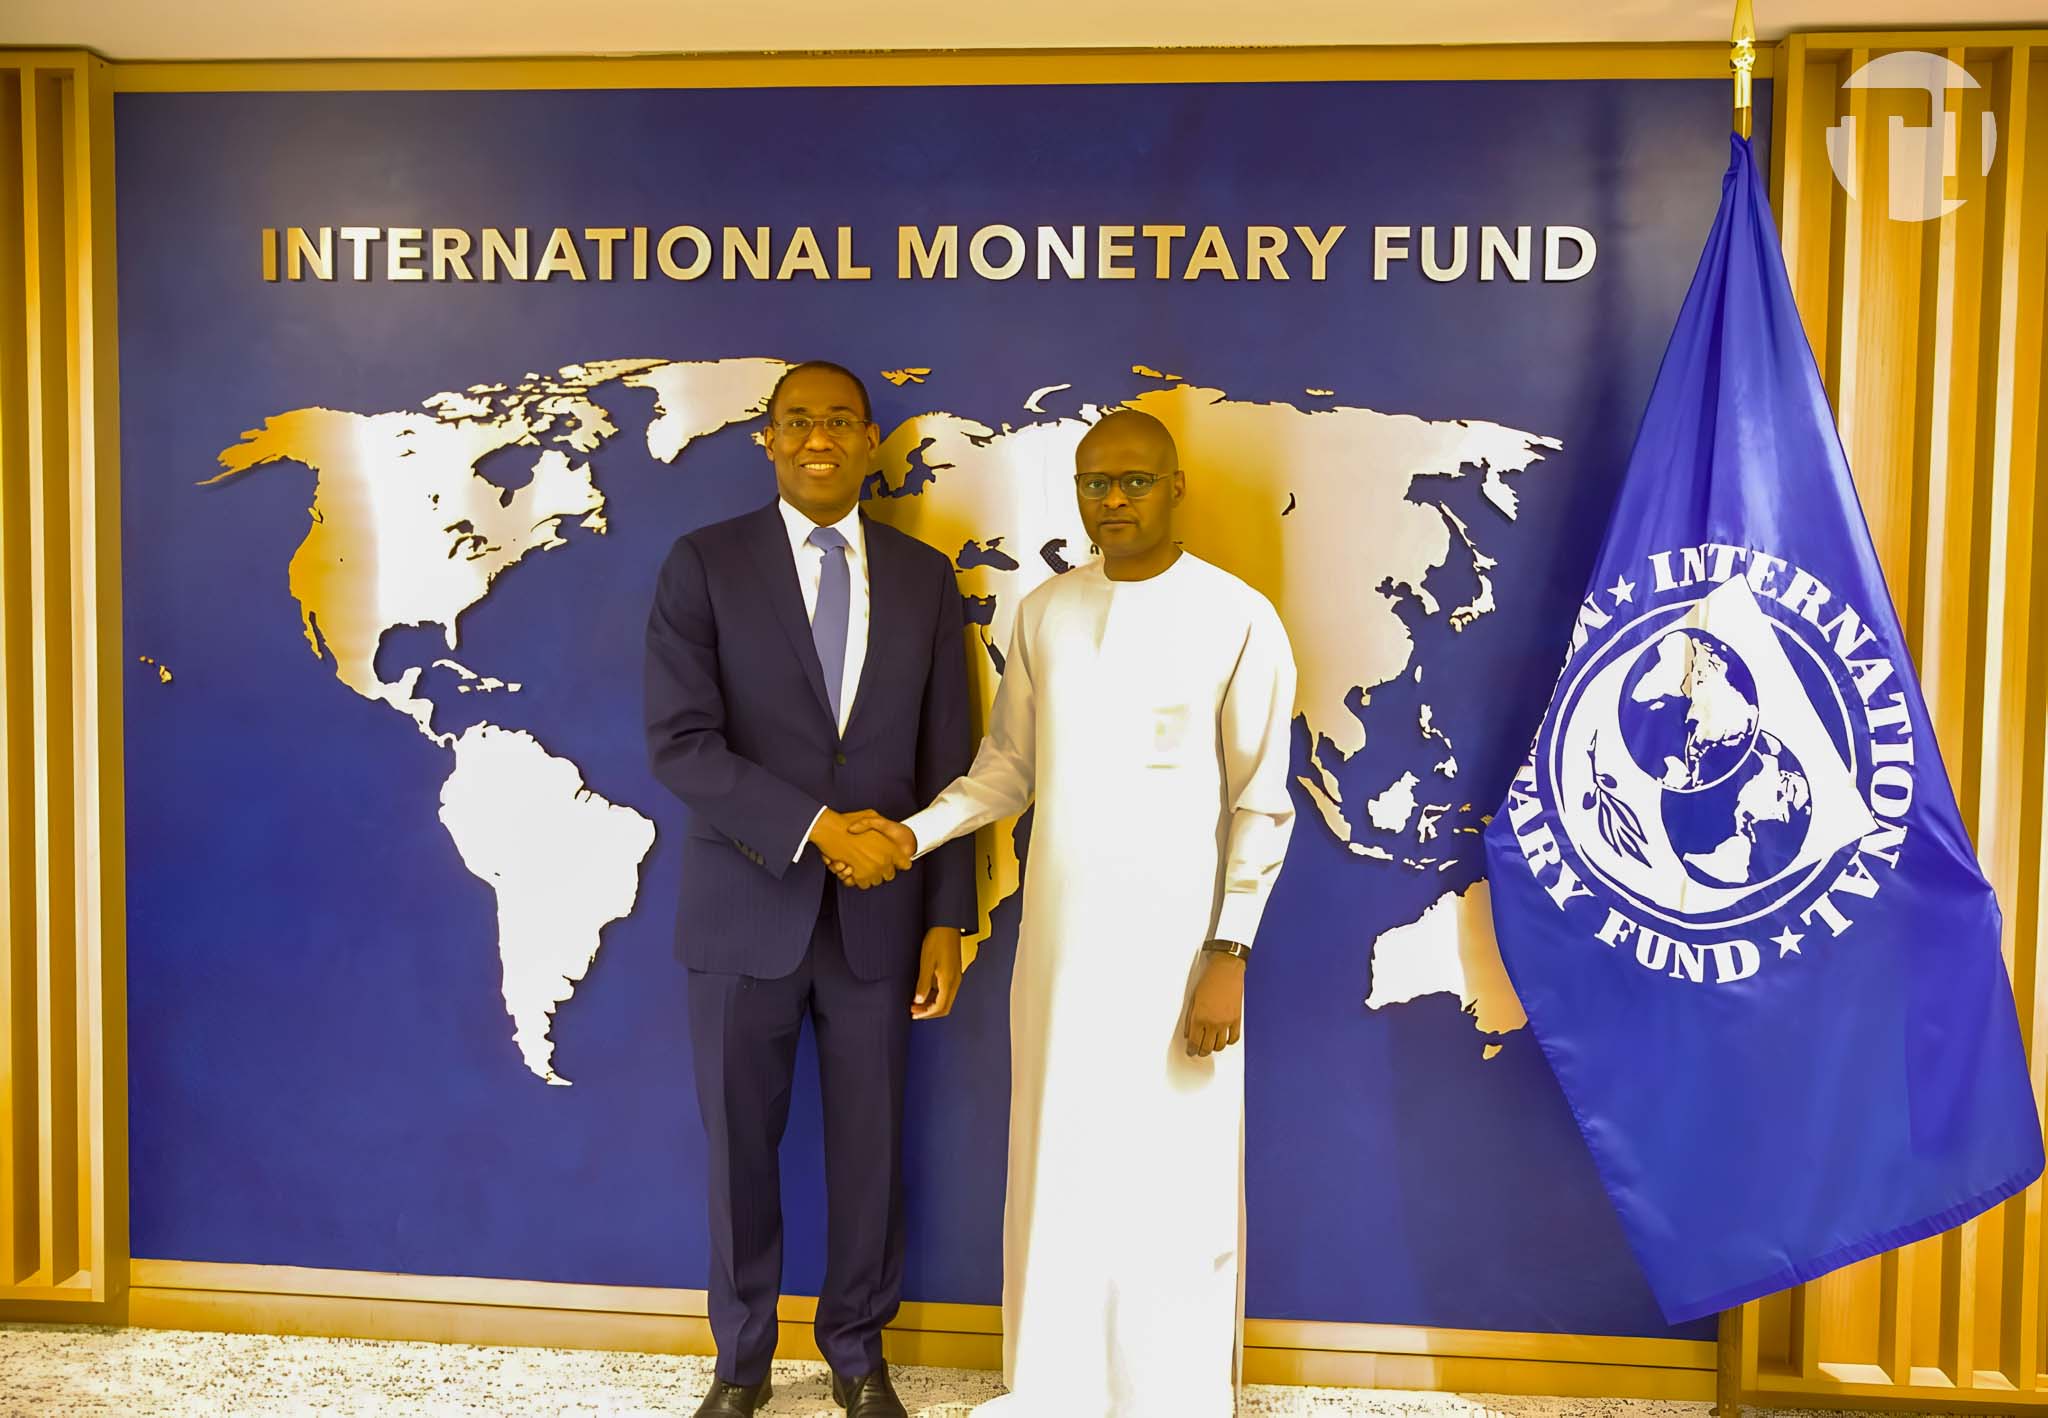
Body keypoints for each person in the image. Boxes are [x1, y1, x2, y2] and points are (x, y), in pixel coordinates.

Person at [845, 409, 1297, 1416]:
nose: (1113, 499)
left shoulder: (1235, 615)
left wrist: (1229, 949)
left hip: (1181, 944)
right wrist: (911, 836)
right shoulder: (1045, 611)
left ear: (1175, 487)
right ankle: (1053, 1386)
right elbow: (1006, 769)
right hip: (1059, 940)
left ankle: (1170, 1396)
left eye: (1134, 480)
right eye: (1095, 482)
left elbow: (1263, 800)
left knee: (1173, 1166)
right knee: (1060, 1152)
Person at [644, 360, 977, 1418]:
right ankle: (741, 1362)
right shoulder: (704, 564)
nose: (818, 437)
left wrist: (948, 918)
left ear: (871, 440)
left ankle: (858, 1352)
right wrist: (821, 830)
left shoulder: (925, 580)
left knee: (871, 1148)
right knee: (738, 1150)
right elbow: (681, 743)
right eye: (797, 421)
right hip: (744, 912)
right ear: (769, 439)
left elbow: (950, 761)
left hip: (882, 923)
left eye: (839, 420)